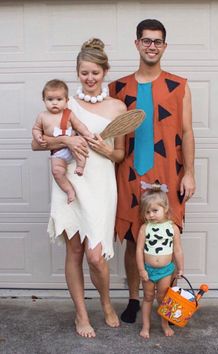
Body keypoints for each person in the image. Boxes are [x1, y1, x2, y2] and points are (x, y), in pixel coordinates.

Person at [32, 38, 127, 338]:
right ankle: (81, 314)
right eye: (84, 73)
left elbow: (120, 154)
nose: (89, 78)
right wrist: (66, 140)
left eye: (95, 73)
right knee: (75, 250)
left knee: (95, 256)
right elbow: (37, 142)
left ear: (104, 72)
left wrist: (104, 148)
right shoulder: (63, 104)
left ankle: (106, 302)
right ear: (77, 72)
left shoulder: (117, 106)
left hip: (100, 182)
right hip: (69, 182)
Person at [109, 19, 195, 323]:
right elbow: (106, 131)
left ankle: (165, 301)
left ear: (164, 46)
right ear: (137, 44)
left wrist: (190, 173)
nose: (152, 46)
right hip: (129, 171)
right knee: (134, 236)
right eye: (146, 40)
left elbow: (186, 132)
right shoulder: (117, 88)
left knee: (167, 234)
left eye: (157, 41)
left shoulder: (179, 85)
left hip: (169, 170)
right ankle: (134, 299)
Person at [32, 79, 94, 204]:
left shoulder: (69, 114)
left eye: (59, 99)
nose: (54, 103)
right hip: (58, 150)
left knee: (81, 149)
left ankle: (80, 166)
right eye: (50, 99)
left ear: (66, 101)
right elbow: (36, 129)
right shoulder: (42, 116)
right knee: (56, 171)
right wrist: (38, 136)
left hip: (73, 148)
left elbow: (80, 126)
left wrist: (88, 134)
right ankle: (69, 190)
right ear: (44, 100)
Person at [136, 183, 184, 338]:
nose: (151, 215)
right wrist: (141, 270)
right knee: (148, 297)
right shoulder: (145, 228)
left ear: (165, 208)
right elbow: (139, 250)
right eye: (147, 212)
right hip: (148, 270)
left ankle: (164, 324)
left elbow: (177, 250)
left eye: (155, 210)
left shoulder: (172, 227)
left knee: (163, 298)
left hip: (166, 271)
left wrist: (180, 268)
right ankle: (146, 326)